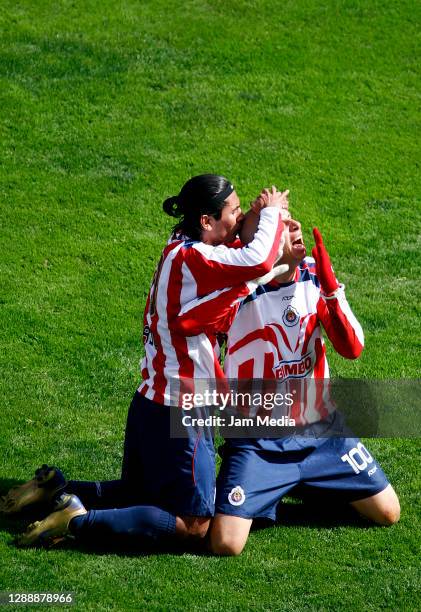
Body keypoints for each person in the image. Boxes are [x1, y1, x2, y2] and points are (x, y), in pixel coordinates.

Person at [1, 175, 288, 549]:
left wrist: (250, 214)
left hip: (150, 400)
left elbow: (236, 251)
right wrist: (272, 215)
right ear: (206, 221)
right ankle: (75, 522)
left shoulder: (180, 248)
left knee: (136, 493)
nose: (237, 220)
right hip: (184, 407)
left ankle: (54, 490)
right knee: (196, 523)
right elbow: (257, 258)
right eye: (232, 212)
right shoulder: (196, 258)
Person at [207, 214, 400, 555]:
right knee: (226, 543)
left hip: (321, 432)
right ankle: (276, 481)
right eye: (281, 225)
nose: (294, 225)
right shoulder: (237, 290)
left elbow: (352, 348)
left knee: (388, 512)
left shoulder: (313, 275)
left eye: (293, 219)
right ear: (261, 243)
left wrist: (331, 291)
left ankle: (292, 483)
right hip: (259, 439)